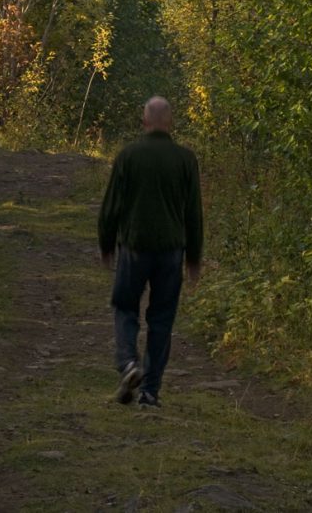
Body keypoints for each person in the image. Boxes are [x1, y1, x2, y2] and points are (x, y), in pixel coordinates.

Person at [97, 96, 203, 408]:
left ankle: (129, 363)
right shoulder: (185, 159)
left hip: (134, 249)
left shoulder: (129, 156)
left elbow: (111, 206)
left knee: (125, 307)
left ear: (144, 122)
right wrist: (194, 258)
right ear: (170, 122)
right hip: (171, 252)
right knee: (162, 319)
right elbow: (194, 213)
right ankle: (150, 392)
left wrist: (106, 245)